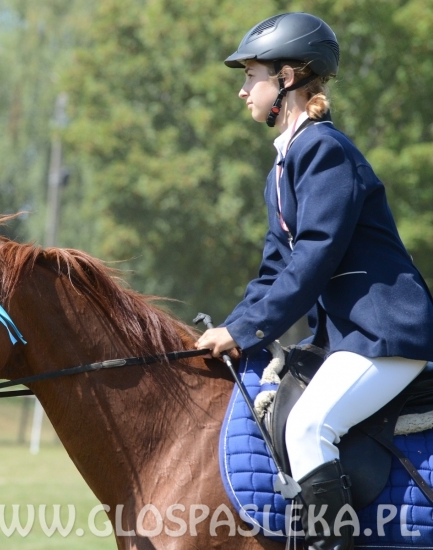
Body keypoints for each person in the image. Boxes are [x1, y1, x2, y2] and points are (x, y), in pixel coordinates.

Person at [195, 12, 433, 550]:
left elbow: (314, 260)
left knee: (308, 429)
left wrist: (245, 330)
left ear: (286, 79)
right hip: (348, 338)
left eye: (250, 75)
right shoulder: (283, 168)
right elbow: (275, 271)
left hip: (384, 335)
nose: (241, 90)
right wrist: (232, 329)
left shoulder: (324, 152)